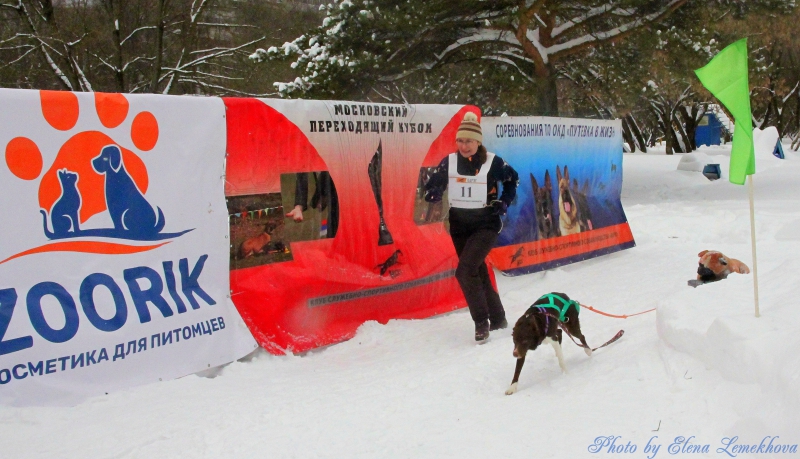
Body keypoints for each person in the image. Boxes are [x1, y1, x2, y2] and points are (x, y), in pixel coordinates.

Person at [424, 111, 519, 343]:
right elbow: (433, 185)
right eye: (460, 141)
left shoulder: (493, 162)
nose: (464, 146)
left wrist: (504, 202)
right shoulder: (449, 162)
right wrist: (434, 192)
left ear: (478, 142)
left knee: (465, 271)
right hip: (459, 226)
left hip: (486, 223)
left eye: (468, 141)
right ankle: (498, 318)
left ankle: (481, 322)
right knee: (477, 270)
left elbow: (512, 180)